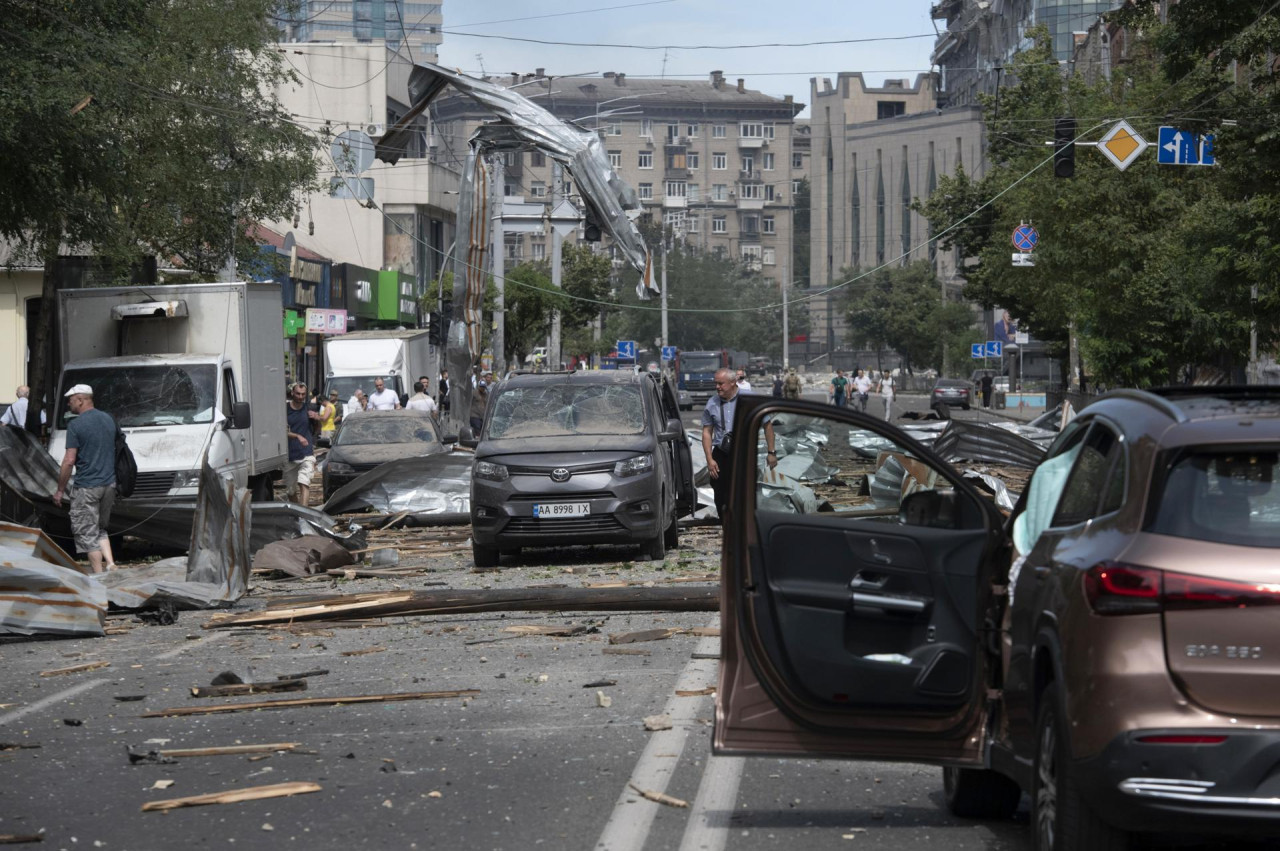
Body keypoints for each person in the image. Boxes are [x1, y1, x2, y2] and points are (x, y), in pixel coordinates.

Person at [52, 384, 117, 573]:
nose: (68, 404)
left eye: (70, 401)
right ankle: (111, 564)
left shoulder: (76, 425)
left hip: (87, 487)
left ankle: (98, 577)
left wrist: (60, 490)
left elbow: (69, 460)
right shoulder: (108, 419)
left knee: (87, 534)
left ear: (80, 400)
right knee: (100, 528)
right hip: (109, 484)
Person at [702, 368, 777, 523]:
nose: (717, 387)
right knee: (720, 494)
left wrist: (771, 452)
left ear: (733, 382)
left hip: (743, 453)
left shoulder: (750, 400)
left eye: (721, 384)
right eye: (716, 383)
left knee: (743, 492)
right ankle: (727, 527)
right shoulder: (712, 403)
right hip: (721, 454)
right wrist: (709, 459)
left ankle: (743, 527)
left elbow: (768, 426)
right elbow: (707, 432)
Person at [284, 382, 316, 505]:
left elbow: (316, 429)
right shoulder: (285, 409)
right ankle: (297, 514)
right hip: (290, 455)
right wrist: (297, 436)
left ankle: (303, 517)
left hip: (306, 453)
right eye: (298, 393)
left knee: (304, 483)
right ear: (292, 392)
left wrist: (316, 418)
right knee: (290, 491)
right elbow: (281, 431)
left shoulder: (309, 408)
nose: (300, 396)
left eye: (303, 394)